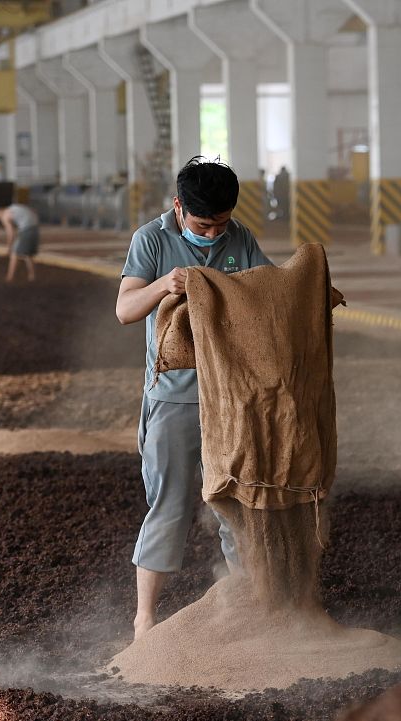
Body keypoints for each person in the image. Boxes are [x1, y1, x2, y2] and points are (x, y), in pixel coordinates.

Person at [116, 157, 275, 640]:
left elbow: (270, 292)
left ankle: (248, 608)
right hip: (174, 399)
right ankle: (145, 619)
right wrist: (163, 284)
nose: (213, 233)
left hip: (232, 399)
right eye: (203, 224)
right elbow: (125, 309)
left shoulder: (240, 238)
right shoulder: (150, 239)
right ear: (179, 207)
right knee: (169, 504)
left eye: (221, 223)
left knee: (237, 503)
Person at [0, 202, 40, 282]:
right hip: (35, 228)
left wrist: (9, 248)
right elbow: (32, 210)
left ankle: (10, 277)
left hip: (26, 229)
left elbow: (11, 233)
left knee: (14, 253)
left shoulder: (5, 215)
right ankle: (32, 276)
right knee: (28, 254)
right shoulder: (14, 207)